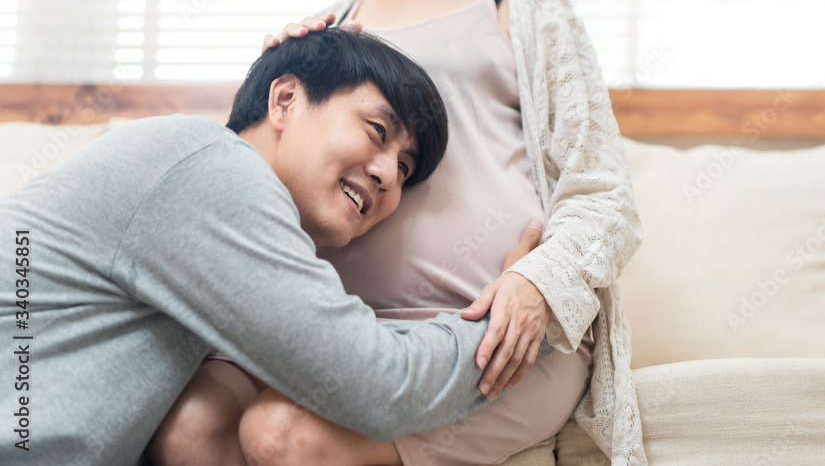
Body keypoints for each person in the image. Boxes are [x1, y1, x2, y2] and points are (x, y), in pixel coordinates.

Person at [250, 0, 646, 464]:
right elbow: (252, 181)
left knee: (282, 436)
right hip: (348, 340)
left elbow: (605, 194)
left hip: (499, 343)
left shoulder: (529, 8)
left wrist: (540, 283)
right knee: (204, 425)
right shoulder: (329, 30)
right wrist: (273, 88)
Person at [0, 28, 531, 466]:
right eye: (376, 131)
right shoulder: (208, 167)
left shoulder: (205, 198)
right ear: (285, 99)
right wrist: (525, 308)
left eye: (406, 166)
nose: (388, 173)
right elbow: (378, 385)